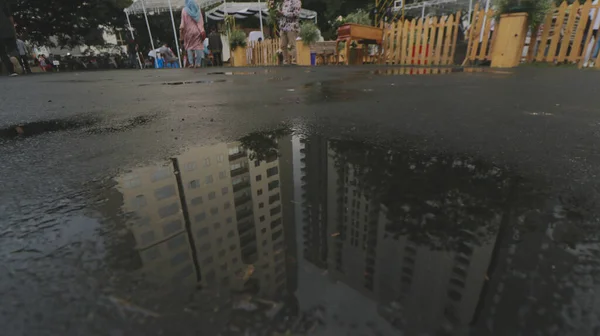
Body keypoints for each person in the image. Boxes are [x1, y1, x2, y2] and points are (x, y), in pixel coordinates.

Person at [180, 0, 205, 68]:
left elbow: (182, 24)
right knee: (198, 46)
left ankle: (191, 63)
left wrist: (181, 32)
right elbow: (201, 21)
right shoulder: (197, 9)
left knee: (189, 47)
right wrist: (202, 29)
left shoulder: (184, 10)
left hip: (188, 32)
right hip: (197, 31)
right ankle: (198, 63)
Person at [0, 0, 21, 76]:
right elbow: (10, 16)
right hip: (7, 28)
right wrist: (13, 29)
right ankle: (13, 58)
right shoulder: (3, 2)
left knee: (2, 53)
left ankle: (12, 71)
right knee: (12, 49)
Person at [278, 0, 301, 64]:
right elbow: (281, 13)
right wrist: (278, 14)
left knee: (292, 45)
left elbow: (296, 13)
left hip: (292, 27)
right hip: (283, 26)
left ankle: (294, 61)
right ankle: (285, 61)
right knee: (283, 45)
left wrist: (284, 14)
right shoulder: (284, 1)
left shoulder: (296, 1)